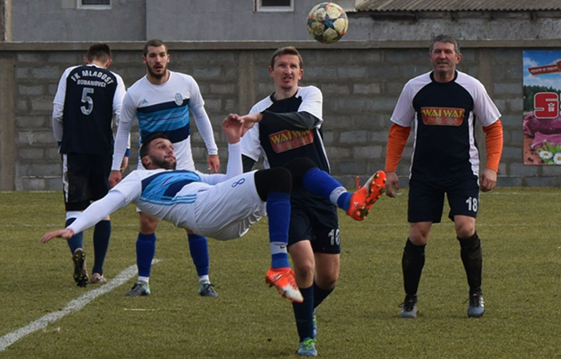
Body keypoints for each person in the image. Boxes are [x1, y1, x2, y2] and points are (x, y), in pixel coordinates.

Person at [45, 114, 386, 313]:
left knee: (299, 165)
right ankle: (280, 266)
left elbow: (235, 182)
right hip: (204, 213)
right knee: (282, 173)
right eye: (161, 147)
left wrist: (234, 141)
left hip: (227, 217)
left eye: (170, 146)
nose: (170, 149)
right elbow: (109, 201)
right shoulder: (141, 177)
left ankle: (349, 203)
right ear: (146, 158)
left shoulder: (191, 174)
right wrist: (75, 226)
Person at [240, 46, 371, 357]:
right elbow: (245, 161)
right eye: (281, 66)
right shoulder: (257, 111)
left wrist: (262, 118)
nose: (287, 71)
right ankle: (306, 339)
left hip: (321, 195)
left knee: (329, 276)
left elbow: (307, 121)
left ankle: (306, 310)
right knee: (305, 267)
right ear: (271, 72)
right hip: (286, 201)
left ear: (301, 73)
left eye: (293, 66)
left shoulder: (310, 95)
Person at [384, 34, 503, 319]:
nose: (442, 56)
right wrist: (390, 169)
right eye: (437, 51)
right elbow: (399, 129)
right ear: (430, 57)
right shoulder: (414, 88)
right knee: (418, 235)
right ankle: (410, 299)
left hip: (463, 172)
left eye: (448, 52)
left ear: (457, 58)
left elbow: (494, 127)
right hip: (425, 174)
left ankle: (476, 293)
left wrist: (492, 167)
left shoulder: (472, 87)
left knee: (465, 227)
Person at [109, 39, 221, 297]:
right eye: (152, 56)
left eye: (161, 55)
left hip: (184, 162)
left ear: (168, 57)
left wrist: (212, 150)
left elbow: (201, 115)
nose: (157, 60)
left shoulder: (186, 83)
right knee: (148, 223)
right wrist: (117, 167)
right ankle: (143, 282)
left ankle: (205, 281)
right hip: (149, 167)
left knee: (194, 221)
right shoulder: (135, 93)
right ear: (144, 60)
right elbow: (123, 129)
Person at [52, 43, 128, 287]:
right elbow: (121, 115)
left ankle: (78, 255)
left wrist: (61, 141)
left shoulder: (70, 73)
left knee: (75, 209)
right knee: (103, 210)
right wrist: (123, 151)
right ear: (108, 62)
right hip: (102, 151)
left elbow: (57, 114)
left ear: (86, 60)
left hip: (74, 150)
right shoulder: (114, 78)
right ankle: (97, 271)